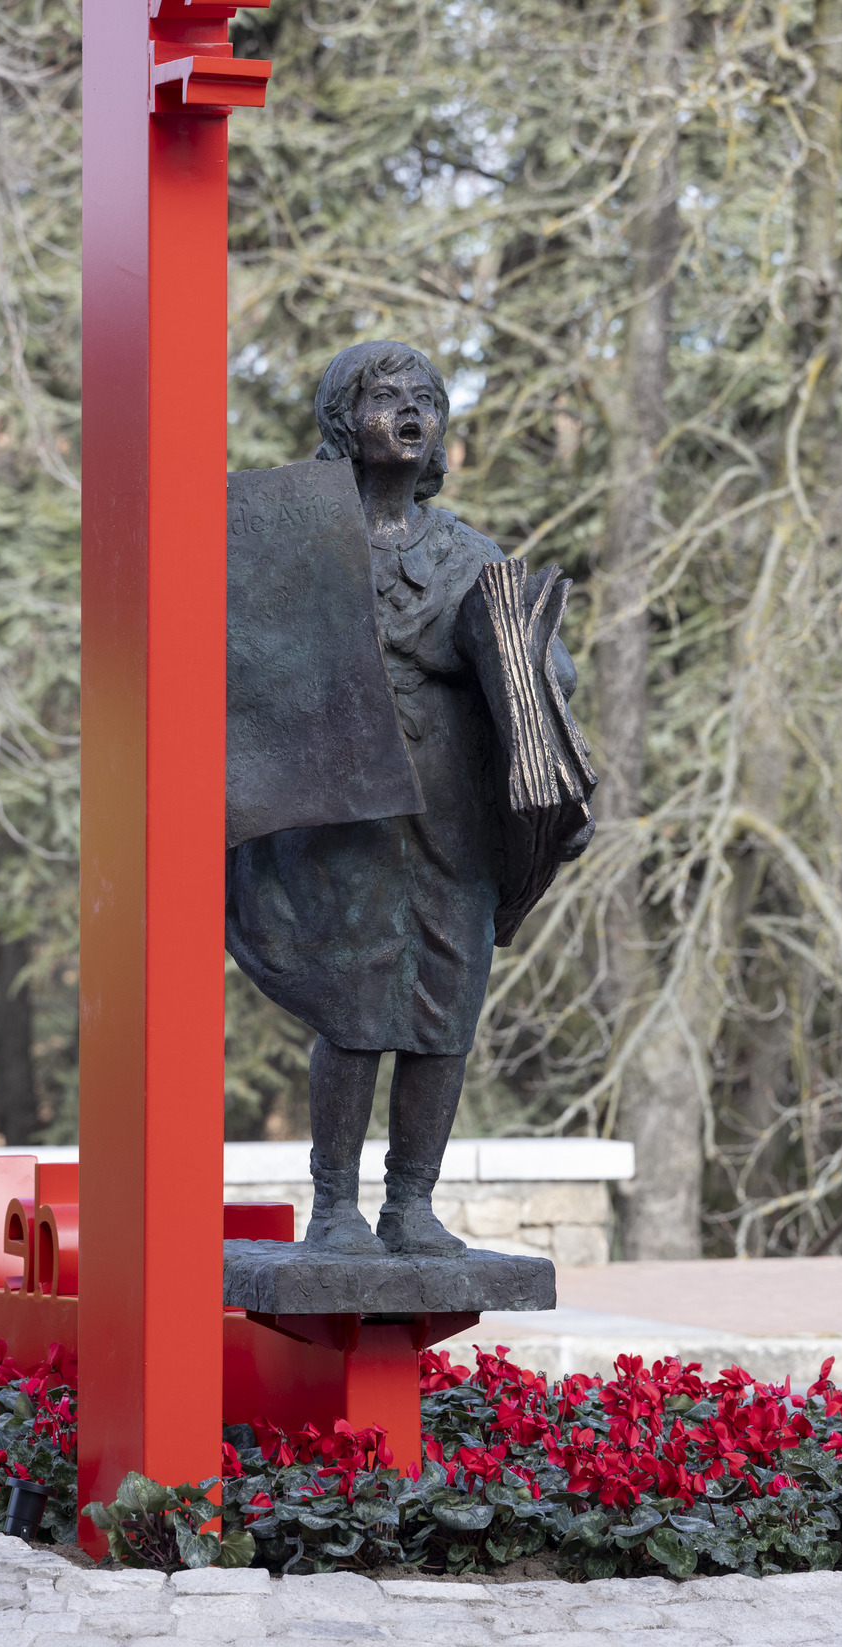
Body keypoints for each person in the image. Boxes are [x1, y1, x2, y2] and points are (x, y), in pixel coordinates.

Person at [226, 340, 583, 1257]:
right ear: (345, 418)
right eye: (389, 398)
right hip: (344, 804)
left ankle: (411, 1204)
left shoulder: (465, 550)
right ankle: (335, 1206)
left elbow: (548, 663)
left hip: (450, 807)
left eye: (428, 399)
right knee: (355, 1006)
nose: (413, 413)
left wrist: (533, 672)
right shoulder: (294, 534)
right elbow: (242, 656)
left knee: (443, 1008)